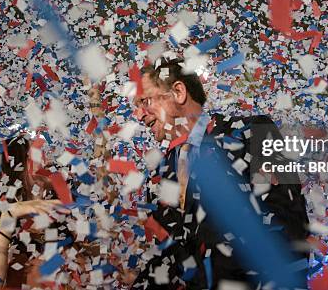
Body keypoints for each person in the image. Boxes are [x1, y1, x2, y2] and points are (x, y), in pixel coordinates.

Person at [126, 56, 310, 289]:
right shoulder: (158, 181)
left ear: (178, 92)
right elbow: (170, 259)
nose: (140, 115)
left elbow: (290, 227)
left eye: (145, 102)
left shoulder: (253, 134)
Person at [0, 135, 99, 289]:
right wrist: (9, 215)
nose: (47, 158)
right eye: (37, 153)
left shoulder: (60, 221)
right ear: (16, 168)